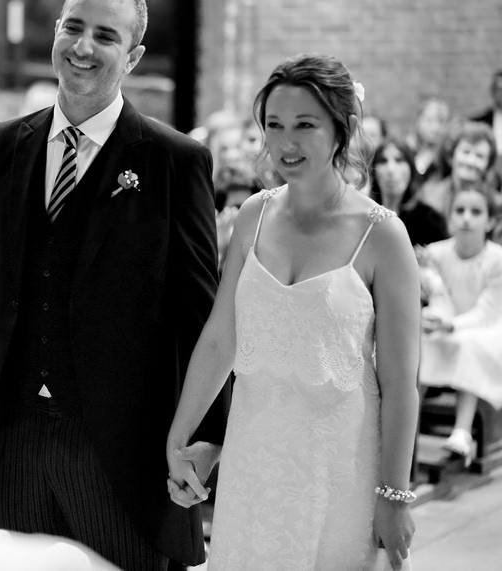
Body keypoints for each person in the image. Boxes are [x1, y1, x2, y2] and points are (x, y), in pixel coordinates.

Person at [0, 0, 226, 570]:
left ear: (131, 56)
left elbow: (200, 315)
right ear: (56, 31)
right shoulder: (6, 143)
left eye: (105, 36)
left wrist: (204, 440)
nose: (83, 47)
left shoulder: (172, 160)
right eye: (73, 27)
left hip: (121, 447)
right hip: (17, 439)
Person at [166, 54, 420, 570]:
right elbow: (220, 339)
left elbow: (399, 382)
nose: (286, 142)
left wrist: (393, 495)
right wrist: (179, 436)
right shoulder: (254, 216)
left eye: (305, 125)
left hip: (339, 465)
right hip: (254, 455)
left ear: (342, 129)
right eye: (274, 125)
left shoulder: (383, 235)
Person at [419, 183, 502, 466]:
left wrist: (451, 325)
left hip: (489, 331)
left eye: (476, 212)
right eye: (460, 210)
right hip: (450, 325)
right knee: (419, 341)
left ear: (490, 221)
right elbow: (439, 297)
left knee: (468, 345)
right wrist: (437, 319)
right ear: (450, 217)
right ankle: (410, 424)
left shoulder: (497, 260)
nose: (467, 217)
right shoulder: (436, 253)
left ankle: (462, 431)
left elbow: (487, 312)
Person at [369, 138, 448, 246]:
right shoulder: (365, 215)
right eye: (383, 161)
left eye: (399, 160)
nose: (390, 169)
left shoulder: (430, 221)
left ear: (411, 168)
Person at [418, 120, 497, 219]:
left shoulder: (496, 206)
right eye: (466, 152)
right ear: (451, 156)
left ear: (488, 164)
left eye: (479, 156)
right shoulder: (427, 198)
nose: (471, 161)